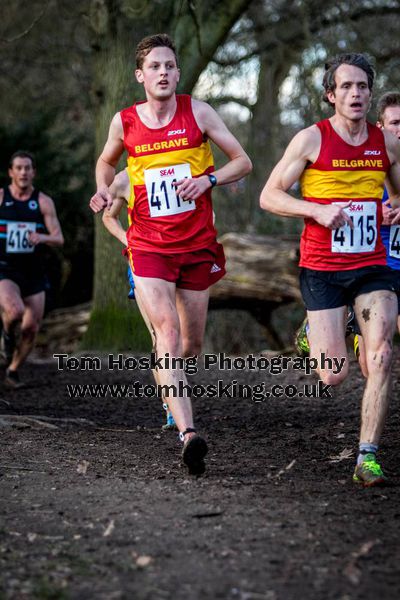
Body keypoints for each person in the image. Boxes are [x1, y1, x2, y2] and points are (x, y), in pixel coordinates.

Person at [90, 33, 252, 475]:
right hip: (147, 245)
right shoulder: (124, 122)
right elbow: (106, 162)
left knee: (191, 345)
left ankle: (169, 385)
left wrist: (209, 180)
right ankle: (188, 433)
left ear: (178, 73)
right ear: (141, 76)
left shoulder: (198, 112)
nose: (163, 72)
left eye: (170, 66)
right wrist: (104, 191)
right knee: (168, 333)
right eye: (155, 66)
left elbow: (243, 160)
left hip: (196, 244)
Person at [260, 53, 400, 487]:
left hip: (372, 266)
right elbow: (269, 195)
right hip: (321, 269)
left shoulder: (385, 142)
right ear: (330, 95)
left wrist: (394, 208)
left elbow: (398, 192)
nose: (355, 93)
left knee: (380, 355)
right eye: (346, 87)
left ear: (370, 93)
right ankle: (312, 332)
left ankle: (367, 457)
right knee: (334, 372)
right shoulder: (310, 140)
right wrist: (316, 211)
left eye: (362, 86)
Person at [0, 151, 64, 387]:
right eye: (19, 168)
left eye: (28, 168)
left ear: (33, 172)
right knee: (15, 312)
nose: (24, 172)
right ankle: (6, 333)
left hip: (34, 272)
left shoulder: (43, 201)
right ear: (11, 172)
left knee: (31, 328)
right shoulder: (1, 197)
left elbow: (59, 239)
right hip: (6, 269)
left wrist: (42, 237)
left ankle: (13, 370)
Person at [354, 92, 400, 376]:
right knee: (373, 360)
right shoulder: (367, 161)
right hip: (375, 263)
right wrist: (374, 213)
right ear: (381, 128)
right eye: (395, 123)